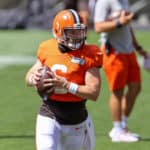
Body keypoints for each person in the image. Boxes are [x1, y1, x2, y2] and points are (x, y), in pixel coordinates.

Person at [25, 9, 102, 150]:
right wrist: (33, 78)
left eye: (79, 31)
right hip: (49, 112)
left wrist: (67, 85)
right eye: (71, 32)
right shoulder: (47, 48)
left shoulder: (90, 54)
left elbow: (93, 93)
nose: (77, 37)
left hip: (76, 118)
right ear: (58, 32)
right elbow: (28, 77)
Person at [94, 0, 148, 142]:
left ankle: (122, 126)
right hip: (113, 51)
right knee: (117, 91)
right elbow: (98, 27)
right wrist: (119, 22)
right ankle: (117, 130)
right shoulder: (104, 2)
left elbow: (128, 25)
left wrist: (138, 47)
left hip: (128, 50)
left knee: (136, 88)